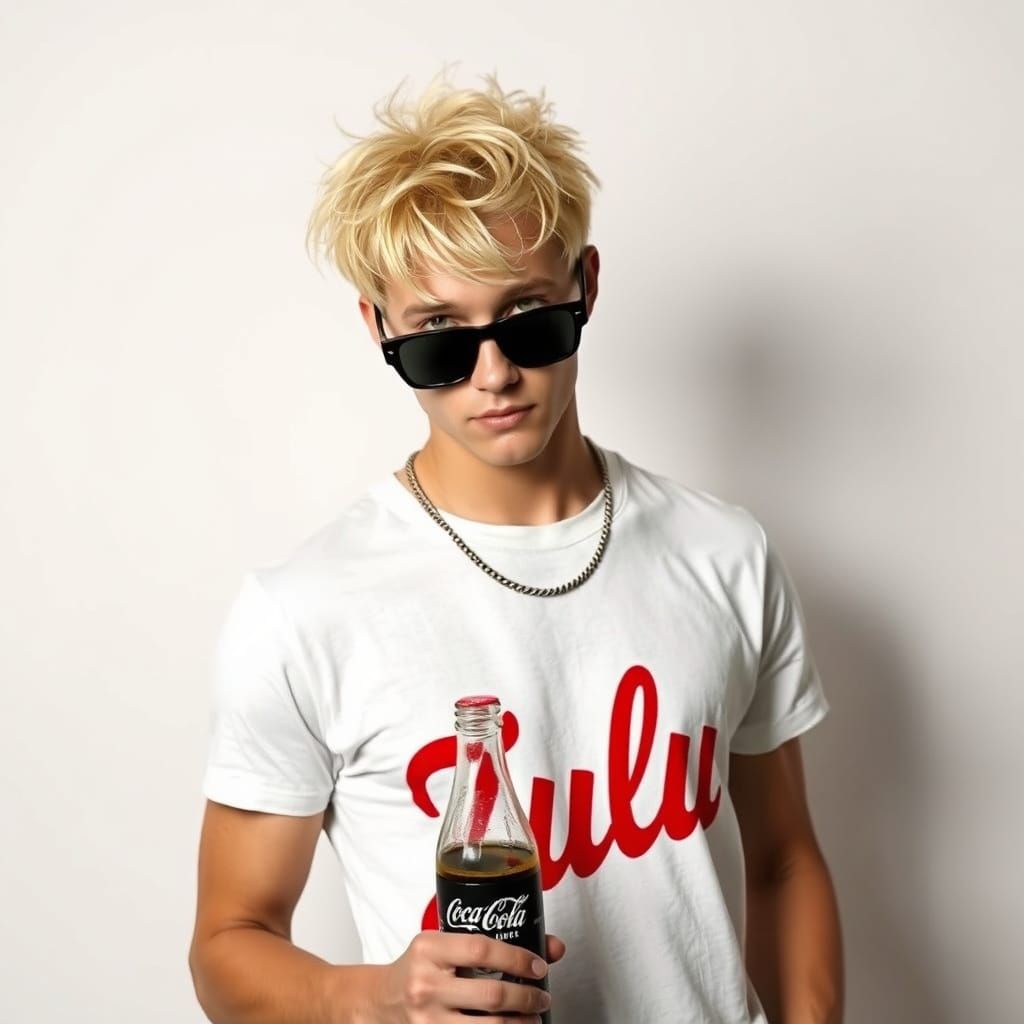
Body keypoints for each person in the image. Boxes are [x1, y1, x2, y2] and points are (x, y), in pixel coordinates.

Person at [188, 71, 844, 1024]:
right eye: (439, 337)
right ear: (378, 328)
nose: (493, 374)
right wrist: (375, 997)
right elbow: (228, 941)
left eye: (528, 319)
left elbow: (784, 860)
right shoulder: (304, 612)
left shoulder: (725, 555)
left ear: (586, 286)